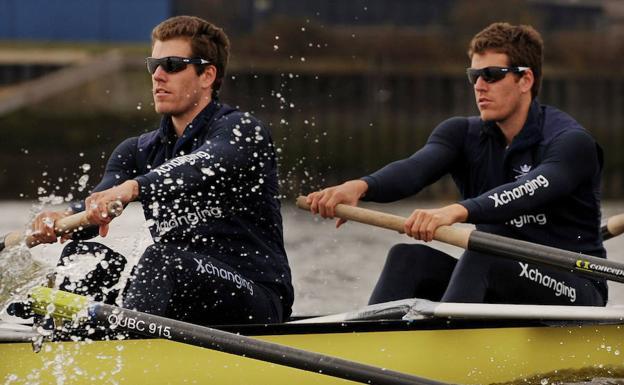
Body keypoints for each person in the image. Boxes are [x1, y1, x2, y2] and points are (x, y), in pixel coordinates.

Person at [305, 22, 607, 307]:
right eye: (474, 76)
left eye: (491, 74)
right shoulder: (461, 134)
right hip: (501, 279)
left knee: (482, 254)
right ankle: (368, 345)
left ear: (525, 79)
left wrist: (455, 211)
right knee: (407, 258)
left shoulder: (569, 143)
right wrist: (360, 187)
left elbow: (527, 190)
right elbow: (415, 169)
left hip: (574, 286)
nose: (480, 86)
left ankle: (444, 353)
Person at [26, 15, 294, 326]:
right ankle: (70, 347)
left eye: (173, 65)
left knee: (162, 259)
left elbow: (201, 165)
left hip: (254, 297)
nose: (159, 76)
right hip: (180, 293)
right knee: (85, 257)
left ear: (207, 75)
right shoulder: (136, 150)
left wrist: (134, 188)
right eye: (154, 65)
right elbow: (96, 207)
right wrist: (61, 219)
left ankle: (127, 357)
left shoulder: (241, 131)